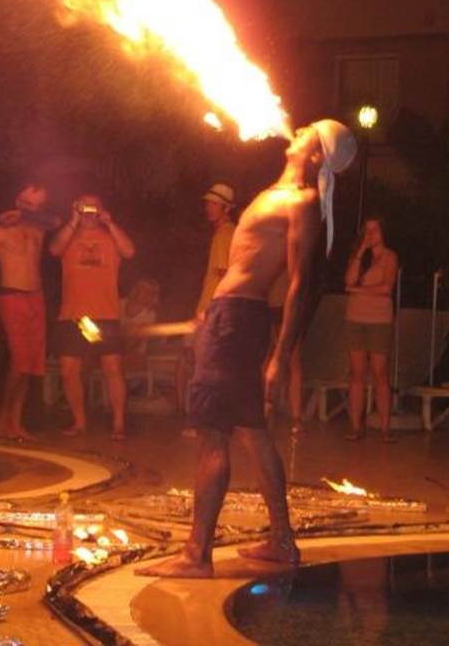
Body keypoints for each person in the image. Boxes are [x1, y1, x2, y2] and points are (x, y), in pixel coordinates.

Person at [138, 120, 357, 578]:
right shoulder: (279, 194)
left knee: (212, 433)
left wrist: (281, 354)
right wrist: (212, 315)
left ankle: (196, 555)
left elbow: (302, 285)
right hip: (230, 317)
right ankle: (282, 541)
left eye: (310, 133)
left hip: (237, 320)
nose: (298, 129)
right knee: (251, 430)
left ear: (318, 156)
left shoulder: (302, 202)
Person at [49, 193, 135, 439]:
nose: (89, 211)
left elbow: (129, 252)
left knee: (112, 368)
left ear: (101, 209)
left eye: (93, 207)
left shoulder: (110, 236)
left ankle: (118, 424)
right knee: (69, 371)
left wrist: (109, 222)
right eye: (84, 206)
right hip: (73, 315)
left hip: (104, 313)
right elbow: (54, 250)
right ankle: (79, 422)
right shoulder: (69, 235)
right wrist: (73, 220)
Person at [0, 184, 56, 439]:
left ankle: (15, 422)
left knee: (30, 365)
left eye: (36, 204)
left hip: (36, 297)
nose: (29, 207)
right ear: (18, 199)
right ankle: (3, 418)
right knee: (20, 362)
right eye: (26, 202)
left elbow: (56, 221)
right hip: (11, 296)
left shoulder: (39, 228)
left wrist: (24, 215)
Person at [178, 183, 236, 427]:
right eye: (208, 203)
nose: (208, 208)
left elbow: (224, 276)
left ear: (226, 208)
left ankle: (207, 421)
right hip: (216, 309)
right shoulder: (227, 233)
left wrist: (208, 313)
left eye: (214, 204)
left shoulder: (224, 235)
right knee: (209, 367)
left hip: (213, 311)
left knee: (205, 368)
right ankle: (213, 419)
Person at [344, 216, 399, 442]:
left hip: (379, 319)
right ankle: (356, 427)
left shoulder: (390, 256)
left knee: (380, 373)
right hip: (355, 318)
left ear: (383, 232)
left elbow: (386, 287)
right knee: (357, 374)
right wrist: (360, 252)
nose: (370, 234)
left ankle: (385, 428)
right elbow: (348, 280)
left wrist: (358, 290)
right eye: (367, 230)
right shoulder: (359, 256)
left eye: (374, 230)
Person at [266, 269, 304, 432]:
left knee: (293, 362)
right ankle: (263, 411)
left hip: (287, 308)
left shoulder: (293, 256)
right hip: (265, 306)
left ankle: (296, 417)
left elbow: (298, 278)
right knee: (263, 361)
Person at [120, 276, 160, 380]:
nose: (146, 293)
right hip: (113, 346)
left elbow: (138, 340)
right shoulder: (119, 304)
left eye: (150, 292)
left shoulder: (150, 315)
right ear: (136, 290)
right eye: (144, 289)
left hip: (134, 351)